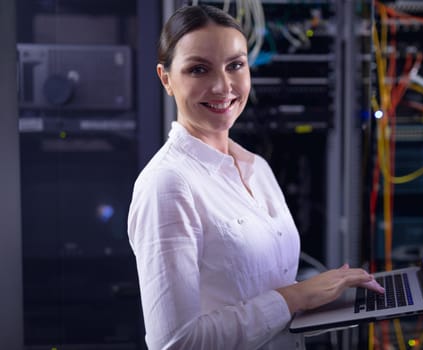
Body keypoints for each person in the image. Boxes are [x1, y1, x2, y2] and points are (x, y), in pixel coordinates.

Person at [127, 4, 384, 350]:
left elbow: (263, 286)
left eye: (235, 65)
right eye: (198, 69)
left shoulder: (256, 167)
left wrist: (326, 291)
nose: (223, 86)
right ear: (166, 79)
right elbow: (176, 342)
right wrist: (296, 296)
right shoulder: (168, 185)